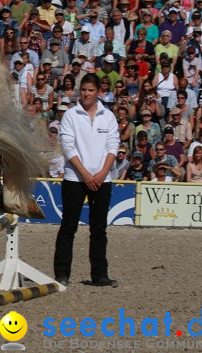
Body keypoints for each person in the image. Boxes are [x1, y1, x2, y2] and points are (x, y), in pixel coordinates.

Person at [54, 73, 119, 287]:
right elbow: (68, 146)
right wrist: (85, 174)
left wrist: (100, 175)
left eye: (91, 90)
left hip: (102, 179)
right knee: (68, 227)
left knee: (99, 229)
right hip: (75, 178)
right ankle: (62, 273)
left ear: (99, 91)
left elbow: (113, 146)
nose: (86, 94)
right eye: (83, 89)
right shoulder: (71, 115)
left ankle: (99, 274)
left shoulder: (108, 116)